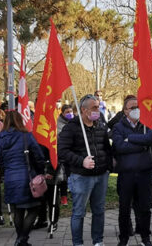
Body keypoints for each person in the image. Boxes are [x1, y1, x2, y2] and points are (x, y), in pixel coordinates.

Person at [58, 94, 112, 246]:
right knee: (79, 212)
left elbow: (106, 148)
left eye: (98, 106)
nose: (98, 110)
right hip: (81, 177)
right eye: (95, 107)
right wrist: (81, 161)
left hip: (101, 175)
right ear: (84, 110)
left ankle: (98, 241)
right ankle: (78, 243)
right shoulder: (71, 128)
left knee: (99, 211)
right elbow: (62, 151)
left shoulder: (100, 125)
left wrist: (108, 165)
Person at [112, 96, 152, 246]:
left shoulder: (146, 124)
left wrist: (129, 138)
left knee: (145, 208)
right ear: (125, 111)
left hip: (144, 174)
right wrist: (141, 143)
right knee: (124, 208)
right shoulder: (118, 127)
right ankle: (124, 238)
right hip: (127, 175)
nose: (136, 110)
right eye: (132, 107)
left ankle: (145, 237)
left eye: (137, 107)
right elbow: (119, 146)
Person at [0, 111, 45, 246]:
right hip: (27, 177)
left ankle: (21, 241)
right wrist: (40, 171)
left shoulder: (0, 137)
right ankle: (22, 239)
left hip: (10, 178)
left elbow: (0, 160)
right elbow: (38, 156)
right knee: (34, 209)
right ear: (20, 120)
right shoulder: (26, 136)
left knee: (18, 210)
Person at [56, 104, 74, 206]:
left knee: (71, 174)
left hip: (73, 152)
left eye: (71, 111)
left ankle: (71, 193)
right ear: (62, 113)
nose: (70, 114)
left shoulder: (74, 121)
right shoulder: (59, 123)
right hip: (63, 153)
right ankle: (63, 196)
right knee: (63, 176)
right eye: (67, 112)